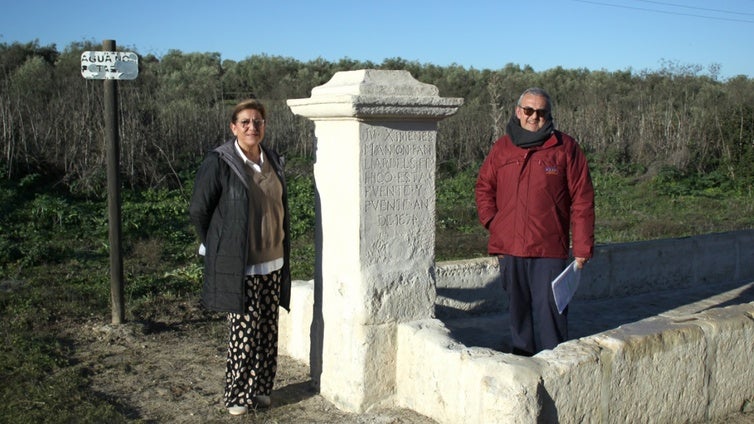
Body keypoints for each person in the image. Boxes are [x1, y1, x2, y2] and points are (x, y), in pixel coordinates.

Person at [189, 98, 291, 415]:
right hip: (242, 264)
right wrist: (218, 246)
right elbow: (199, 210)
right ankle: (236, 395)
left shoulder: (271, 158)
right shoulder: (220, 161)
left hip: (273, 261)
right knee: (244, 332)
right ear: (234, 127)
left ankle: (260, 389)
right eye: (245, 122)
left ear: (264, 126)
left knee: (267, 330)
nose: (252, 127)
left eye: (258, 121)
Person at [475, 87, 594, 356]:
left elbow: (582, 199)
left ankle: (557, 365)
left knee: (552, 312)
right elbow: (484, 187)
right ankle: (523, 363)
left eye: (541, 112)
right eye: (528, 110)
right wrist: (494, 222)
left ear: (548, 114)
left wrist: (583, 247)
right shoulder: (502, 148)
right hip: (509, 246)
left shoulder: (566, 148)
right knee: (518, 314)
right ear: (518, 112)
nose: (534, 117)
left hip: (549, 248)